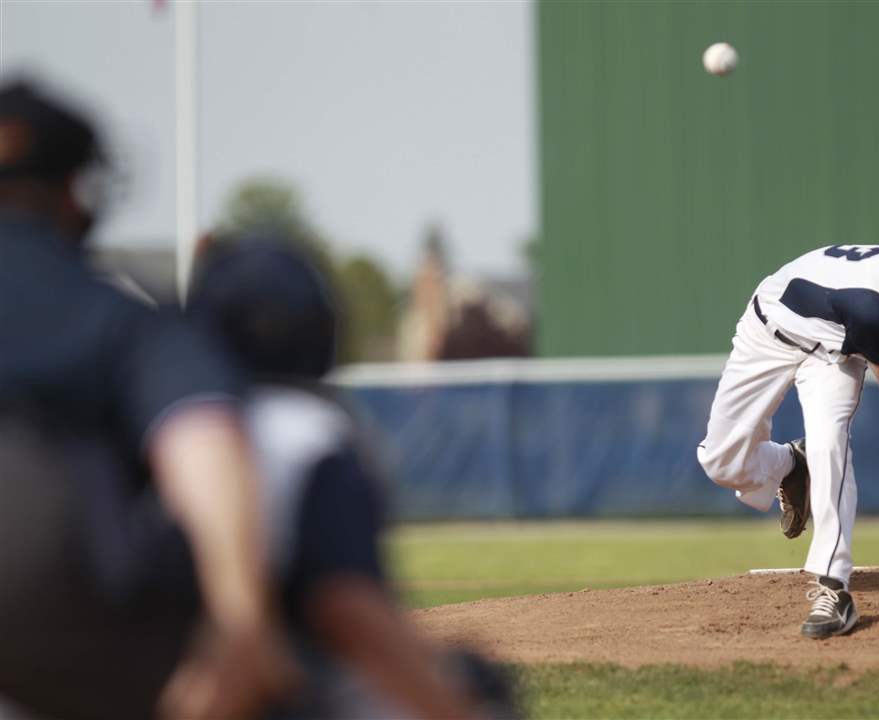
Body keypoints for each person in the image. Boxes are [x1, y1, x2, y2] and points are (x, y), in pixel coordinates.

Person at [0, 78, 294, 718]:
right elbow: (202, 436)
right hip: (61, 611)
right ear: (77, 190)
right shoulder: (112, 315)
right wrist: (241, 620)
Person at [187, 234, 503, 719]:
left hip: (143, 683)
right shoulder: (307, 435)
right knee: (478, 684)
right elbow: (349, 611)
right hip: (262, 687)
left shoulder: (162, 431)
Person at [697, 222, 879, 639]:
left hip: (837, 356)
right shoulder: (876, 304)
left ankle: (833, 588)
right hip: (772, 329)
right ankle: (790, 463)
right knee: (721, 463)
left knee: (830, 446)